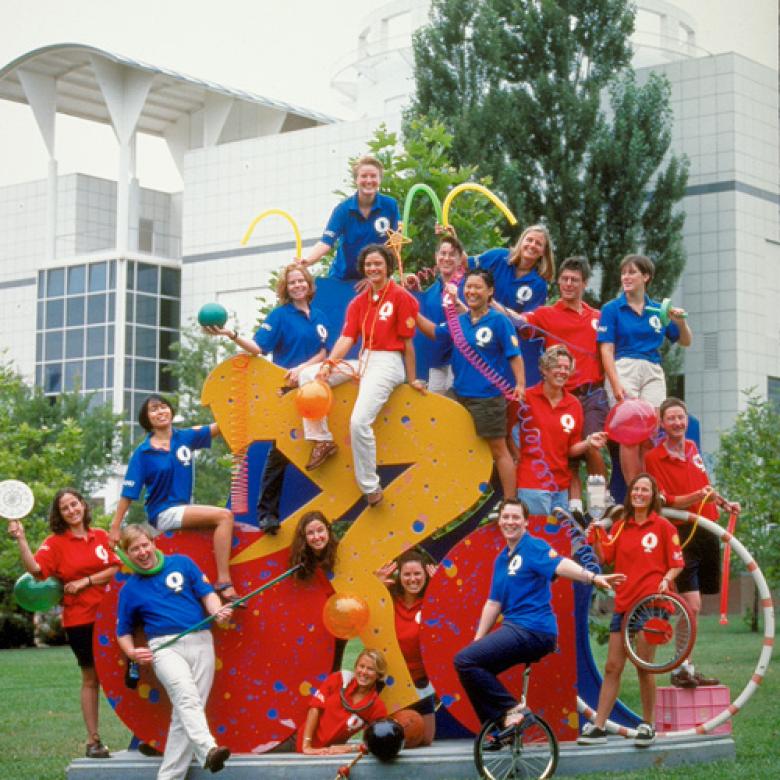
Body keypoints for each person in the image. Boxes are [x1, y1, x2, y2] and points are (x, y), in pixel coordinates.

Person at [454, 498, 621, 729]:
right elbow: (493, 603)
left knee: (464, 660)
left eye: (515, 517)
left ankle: (511, 712)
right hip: (517, 629)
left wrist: (592, 577)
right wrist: (478, 640)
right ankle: (500, 728)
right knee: (471, 666)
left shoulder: (533, 547)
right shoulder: (502, 559)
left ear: (525, 523)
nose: (510, 522)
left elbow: (561, 565)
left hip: (534, 630)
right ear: (500, 521)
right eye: (506, 517)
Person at [204, 264, 330, 534]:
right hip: (287, 390)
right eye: (292, 282)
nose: (297, 285)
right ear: (286, 288)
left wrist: (304, 368)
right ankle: (267, 514)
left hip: (316, 388)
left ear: (309, 284)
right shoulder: (280, 316)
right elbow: (259, 348)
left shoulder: (319, 315)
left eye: (301, 281)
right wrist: (232, 335)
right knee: (280, 452)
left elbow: (323, 352)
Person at [296, 244, 425, 506]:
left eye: (378, 264)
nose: (373, 269)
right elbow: (346, 337)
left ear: (388, 266)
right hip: (364, 359)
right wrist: (329, 363)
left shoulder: (402, 297)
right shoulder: (358, 302)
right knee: (308, 377)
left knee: (358, 422)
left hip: (388, 363)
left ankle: (370, 487)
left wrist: (412, 379)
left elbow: (408, 344)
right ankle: (322, 440)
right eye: (368, 265)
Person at [8, 488, 120, 758]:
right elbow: (36, 571)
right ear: (59, 515)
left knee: (127, 672)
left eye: (74, 504)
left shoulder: (102, 536)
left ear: (82, 504)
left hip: (113, 617)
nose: (71, 511)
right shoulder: (55, 543)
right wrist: (21, 539)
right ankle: (93, 741)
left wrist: (87, 581)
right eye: (65, 508)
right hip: (81, 620)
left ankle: (145, 736)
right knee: (91, 679)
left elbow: (118, 567)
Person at [116, 524, 233, 778]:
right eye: (135, 549)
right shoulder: (130, 589)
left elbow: (207, 594)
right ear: (128, 554)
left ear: (153, 543)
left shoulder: (182, 562)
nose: (142, 552)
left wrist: (217, 611)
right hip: (164, 648)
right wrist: (133, 652)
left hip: (202, 641)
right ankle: (208, 749)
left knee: (186, 712)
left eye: (145, 545)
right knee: (186, 698)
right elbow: (122, 632)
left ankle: (168, 777)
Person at [578, 473, 684, 748]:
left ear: (653, 495)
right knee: (612, 666)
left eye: (645, 489)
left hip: (651, 604)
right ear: (630, 494)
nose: (639, 493)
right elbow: (605, 558)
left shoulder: (663, 527)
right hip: (624, 604)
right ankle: (599, 726)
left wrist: (665, 579)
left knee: (643, 666)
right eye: (636, 489)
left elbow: (676, 563)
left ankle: (648, 725)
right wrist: (597, 535)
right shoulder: (622, 526)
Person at [645, 397, 740, 688]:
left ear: (687, 421)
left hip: (706, 530)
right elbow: (664, 502)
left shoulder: (692, 448)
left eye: (681, 417)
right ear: (662, 424)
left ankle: (684, 665)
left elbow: (704, 487)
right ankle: (680, 666)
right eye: (671, 418)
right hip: (681, 534)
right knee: (691, 604)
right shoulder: (653, 458)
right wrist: (695, 497)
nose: (677, 423)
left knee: (696, 605)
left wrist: (723, 503)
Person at [109, 395, 240, 603]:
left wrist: (238, 401)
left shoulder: (184, 437)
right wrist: (115, 526)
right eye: (153, 410)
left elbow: (222, 425)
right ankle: (224, 581)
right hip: (162, 512)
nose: (160, 412)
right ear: (147, 419)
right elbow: (128, 494)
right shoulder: (143, 453)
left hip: (183, 509)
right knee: (224, 516)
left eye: (163, 407)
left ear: (171, 411)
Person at [416, 269, 524, 499]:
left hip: (488, 398)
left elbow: (514, 355)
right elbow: (434, 332)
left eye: (478, 287)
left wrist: (521, 385)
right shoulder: (459, 321)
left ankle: (510, 502)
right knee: (441, 434)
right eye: (469, 287)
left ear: (490, 291)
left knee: (498, 449)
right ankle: (448, 495)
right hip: (459, 394)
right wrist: (411, 311)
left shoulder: (499, 321)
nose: (472, 291)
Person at [521, 257, 608, 511]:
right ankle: (575, 508)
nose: (569, 284)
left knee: (592, 447)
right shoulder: (546, 314)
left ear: (585, 284)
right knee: (566, 456)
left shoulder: (598, 317)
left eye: (575, 280)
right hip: (562, 397)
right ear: (558, 281)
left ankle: (598, 504)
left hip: (592, 394)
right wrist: (491, 304)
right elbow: (519, 320)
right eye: (565, 279)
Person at [597, 254, 692, 484]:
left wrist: (679, 320)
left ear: (646, 276)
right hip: (624, 367)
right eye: (624, 273)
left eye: (632, 272)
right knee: (630, 434)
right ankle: (634, 491)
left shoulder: (658, 310)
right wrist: (616, 384)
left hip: (653, 370)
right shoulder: (612, 309)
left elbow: (686, 341)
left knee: (650, 432)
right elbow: (606, 350)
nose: (626, 277)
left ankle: (647, 486)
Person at [517, 345, 608, 516]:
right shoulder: (527, 397)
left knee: (558, 542)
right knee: (538, 539)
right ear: (544, 369)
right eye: (557, 366)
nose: (562, 371)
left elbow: (571, 450)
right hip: (532, 482)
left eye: (567, 368)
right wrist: (515, 457)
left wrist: (588, 442)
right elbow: (506, 432)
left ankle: (600, 501)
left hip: (560, 486)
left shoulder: (574, 404)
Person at [297, 155, 399, 281]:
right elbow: (326, 242)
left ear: (380, 179)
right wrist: (306, 261)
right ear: (356, 180)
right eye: (364, 176)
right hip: (343, 277)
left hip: (375, 275)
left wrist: (378, 276)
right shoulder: (343, 210)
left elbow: (395, 245)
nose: (368, 180)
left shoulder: (390, 205)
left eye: (373, 176)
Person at [376, 550, 438, 745]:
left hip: (421, 682)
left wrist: (443, 587)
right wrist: (374, 586)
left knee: (425, 740)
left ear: (425, 575)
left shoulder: (432, 600)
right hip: (392, 681)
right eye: (407, 574)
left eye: (417, 574)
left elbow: (458, 614)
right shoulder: (389, 600)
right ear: (399, 576)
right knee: (395, 739)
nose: (413, 579)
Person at [405, 234, 467, 393]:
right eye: (443, 253)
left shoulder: (469, 286)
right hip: (437, 362)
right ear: (436, 257)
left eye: (452, 254)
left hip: (463, 361)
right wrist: (415, 292)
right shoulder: (431, 292)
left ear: (460, 259)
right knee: (437, 408)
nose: (446, 258)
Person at [297, 648, 389, 755]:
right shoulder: (338, 679)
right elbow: (314, 708)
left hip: (330, 755)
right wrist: (307, 746)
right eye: (361, 666)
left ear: (379, 675)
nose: (364, 672)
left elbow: (378, 741)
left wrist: (350, 748)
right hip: (299, 742)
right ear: (356, 667)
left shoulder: (377, 707)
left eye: (370, 669)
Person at [470, 224, 554, 318]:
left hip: (504, 330)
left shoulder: (539, 285)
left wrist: (496, 307)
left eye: (538, 243)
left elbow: (527, 323)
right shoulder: (499, 256)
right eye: (529, 240)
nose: (532, 245)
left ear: (543, 252)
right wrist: (455, 246)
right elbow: (465, 264)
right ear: (521, 242)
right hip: (472, 318)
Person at [289, 510, 339, 584]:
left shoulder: (339, 551)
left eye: (320, 530)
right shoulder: (299, 559)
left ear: (327, 530)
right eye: (310, 533)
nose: (316, 537)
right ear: (304, 537)